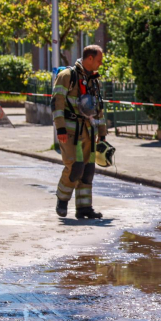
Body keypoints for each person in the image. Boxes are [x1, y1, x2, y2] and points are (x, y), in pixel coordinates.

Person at [53, 45, 107, 219]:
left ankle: (84, 208)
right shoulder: (67, 76)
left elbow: (98, 108)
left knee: (88, 169)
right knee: (75, 167)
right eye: (99, 60)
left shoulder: (94, 80)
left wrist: (102, 133)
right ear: (89, 58)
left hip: (89, 131)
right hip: (69, 131)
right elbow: (57, 102)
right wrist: (60, 127)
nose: (100, 64)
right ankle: (62, 199)